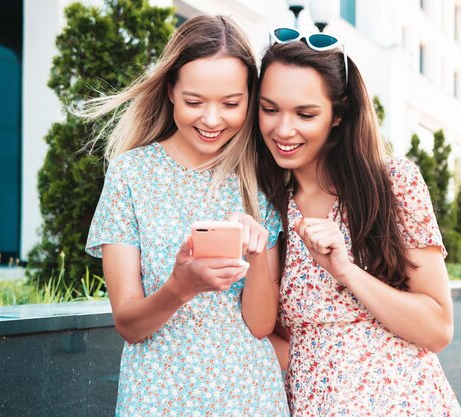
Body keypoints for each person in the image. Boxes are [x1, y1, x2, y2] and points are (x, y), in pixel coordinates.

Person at [84, 16, 289, 416]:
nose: (212, 120)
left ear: (250, 98)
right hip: (159, 400)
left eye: (231, 104)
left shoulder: (259, 178)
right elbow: (129, 324)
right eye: (195, 101)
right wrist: (180, 287)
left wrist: (259, 252)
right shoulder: (132, 175)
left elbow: (261, 325)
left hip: (251, 399)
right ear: (171, 92)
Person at [256, 31, 461, 416]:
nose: (283, 130)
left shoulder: (392, 184)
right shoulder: (268, 208)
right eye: (270, 109)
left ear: (339, 113)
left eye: (305, 114)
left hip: (407, 404)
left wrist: (346, 271)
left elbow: (438, 329)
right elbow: (269, 334)